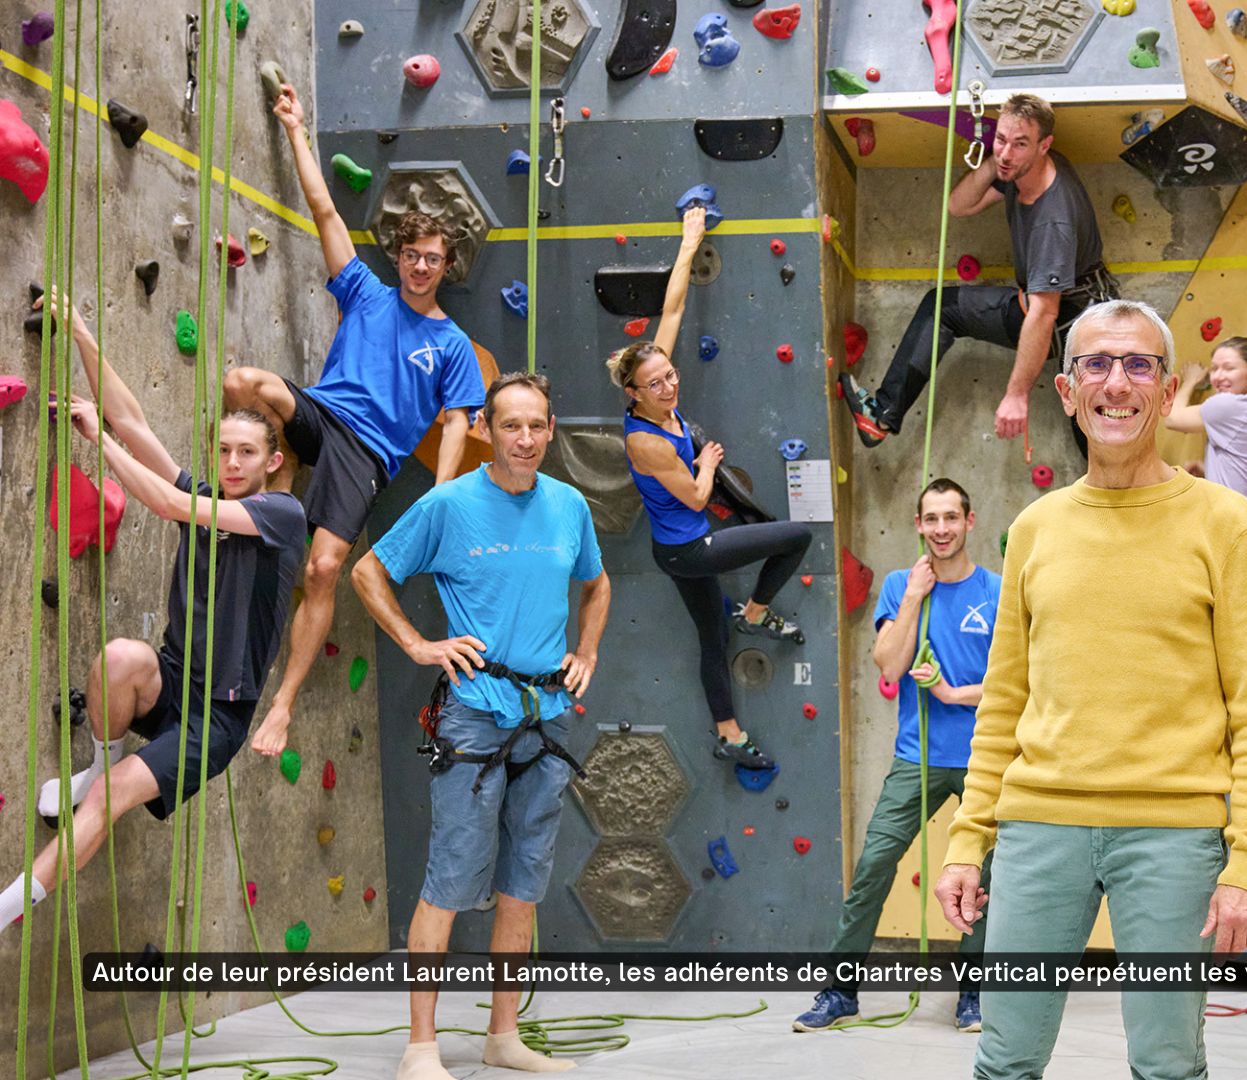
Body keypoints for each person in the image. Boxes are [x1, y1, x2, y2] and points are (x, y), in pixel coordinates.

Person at [934, 299, 1247, 1079]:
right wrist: (968, 839)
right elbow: (1004, 701)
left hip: (1173, 834)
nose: (1117, 382)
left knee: (1167, 1064)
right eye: (1096, 364)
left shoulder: (1225, 523)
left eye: (1138, 364)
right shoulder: (1036, 528)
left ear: (1166, 391)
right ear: (1067, 392)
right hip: (1038, 829)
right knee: (1004, 1060)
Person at [2, 294, 305, 932]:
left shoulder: (281, 515)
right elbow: (133, 421)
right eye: (225, 450)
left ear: (273, 462)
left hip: (216, 718)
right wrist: (80, 332)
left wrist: (100, 444)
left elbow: (167, 503)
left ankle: (6, 909)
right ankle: (102, 761)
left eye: (247, 453)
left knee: (108, 801)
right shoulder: (209, 494)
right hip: (171, 678)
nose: (232, 463)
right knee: (119, 658)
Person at [350, 371, 610, 1080]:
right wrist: (417, 644)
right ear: (486, 430)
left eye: (536, 425)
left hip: (545, 717)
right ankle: (421, 1048)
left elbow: (596, 583)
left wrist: (586, 651)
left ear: (550, 430)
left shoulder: (568, 505)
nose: (524, 438)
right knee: (449, 879)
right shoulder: (449, 505)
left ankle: (503, 1037)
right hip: (472, 717)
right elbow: (369, 573)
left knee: (523, 885)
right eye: (510, 425)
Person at [223, 84, 487, 755]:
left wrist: (442, 492)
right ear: (398, 256)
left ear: (445, 266)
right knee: (242, 383)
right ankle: (269, 501)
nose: (421, 266)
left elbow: (458, 423)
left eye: (433, 259)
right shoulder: (367, 292)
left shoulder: (452, 344)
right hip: (321, 414)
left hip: (365, 455)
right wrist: (295, 127)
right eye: (412, 255)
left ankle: (282, 704)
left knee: (322, 570)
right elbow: (323, 211)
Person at [794, 478, 999, 1035]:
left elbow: (1015, 683)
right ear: (918, 525)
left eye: (951, 517)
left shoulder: (995, 591)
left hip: (983, 758)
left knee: (983, 880)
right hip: (917, 757)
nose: (941, 529)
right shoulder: (899, 587)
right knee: (873, 868)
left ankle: (974, 996)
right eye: (931, 518)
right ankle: (840, 993)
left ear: (969, 521)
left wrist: (953, 694)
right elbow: (889, 664)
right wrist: (913, 596)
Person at [610, 207, 811, 772]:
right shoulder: (645, 441)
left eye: (670, 376)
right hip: (688, 549)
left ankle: (729, 735)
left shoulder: (655, 381)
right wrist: (705, 461)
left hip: (679, 549)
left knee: (711, 638)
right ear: (633, 393)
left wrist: (689, 240)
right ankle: (757, 612)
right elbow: (698, 499)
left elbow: (673, 308)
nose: (668, 386)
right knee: (795, 538)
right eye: (655, 384)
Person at [840, 93, 1117, 448]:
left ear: (1044, 146)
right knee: (942, 307)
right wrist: (993, 165)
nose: (1006, 152)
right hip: (1064, 304)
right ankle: (881, 416)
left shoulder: (1052, 221)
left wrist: (1017, 394)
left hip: (1075, 319)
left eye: (1020, 144)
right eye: (1001, 139)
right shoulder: (1021, 169)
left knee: (1095, 437)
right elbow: (959, 205)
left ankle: (882, 415)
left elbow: (1044, 313)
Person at [1169, 335, 1247, 584]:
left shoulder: (1227, 407)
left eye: (1228, 368)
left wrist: (1190, 381)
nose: (1217, 376)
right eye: (1214, 368)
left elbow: (1173, 418)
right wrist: (1209, 469)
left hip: (1239, 551)